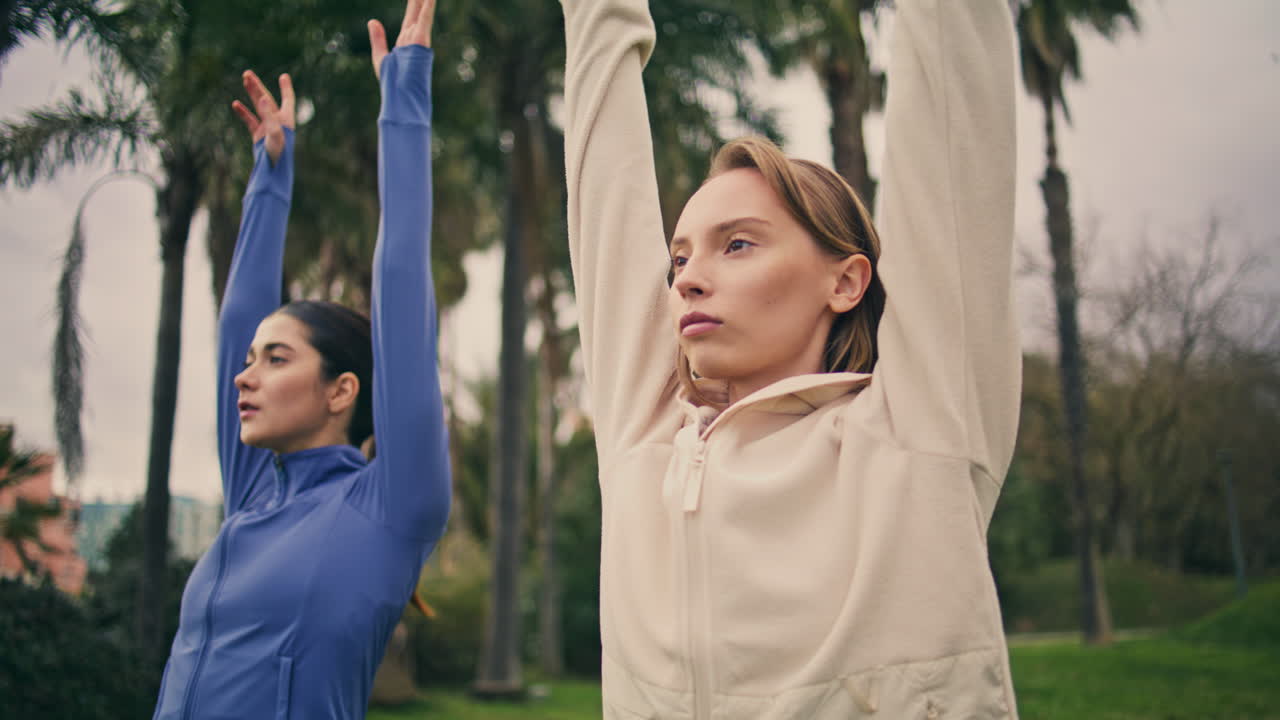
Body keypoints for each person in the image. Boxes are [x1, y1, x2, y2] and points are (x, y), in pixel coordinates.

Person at [560, 0, 1020, 717]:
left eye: (737, 243)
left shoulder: (920, 429)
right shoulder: (645, 445)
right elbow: (606, 190)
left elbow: (952, 113)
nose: (687, 279)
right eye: (678, 258)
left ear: (846, 282)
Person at [151, 1, 449, 718]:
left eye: (276, 359)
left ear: (342, 390)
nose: (244, 375)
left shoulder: (390, 506)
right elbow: (237, 322)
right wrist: (270, 175)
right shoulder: (255, 492)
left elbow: (401, 276)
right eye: (253, 359)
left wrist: (404, 96)